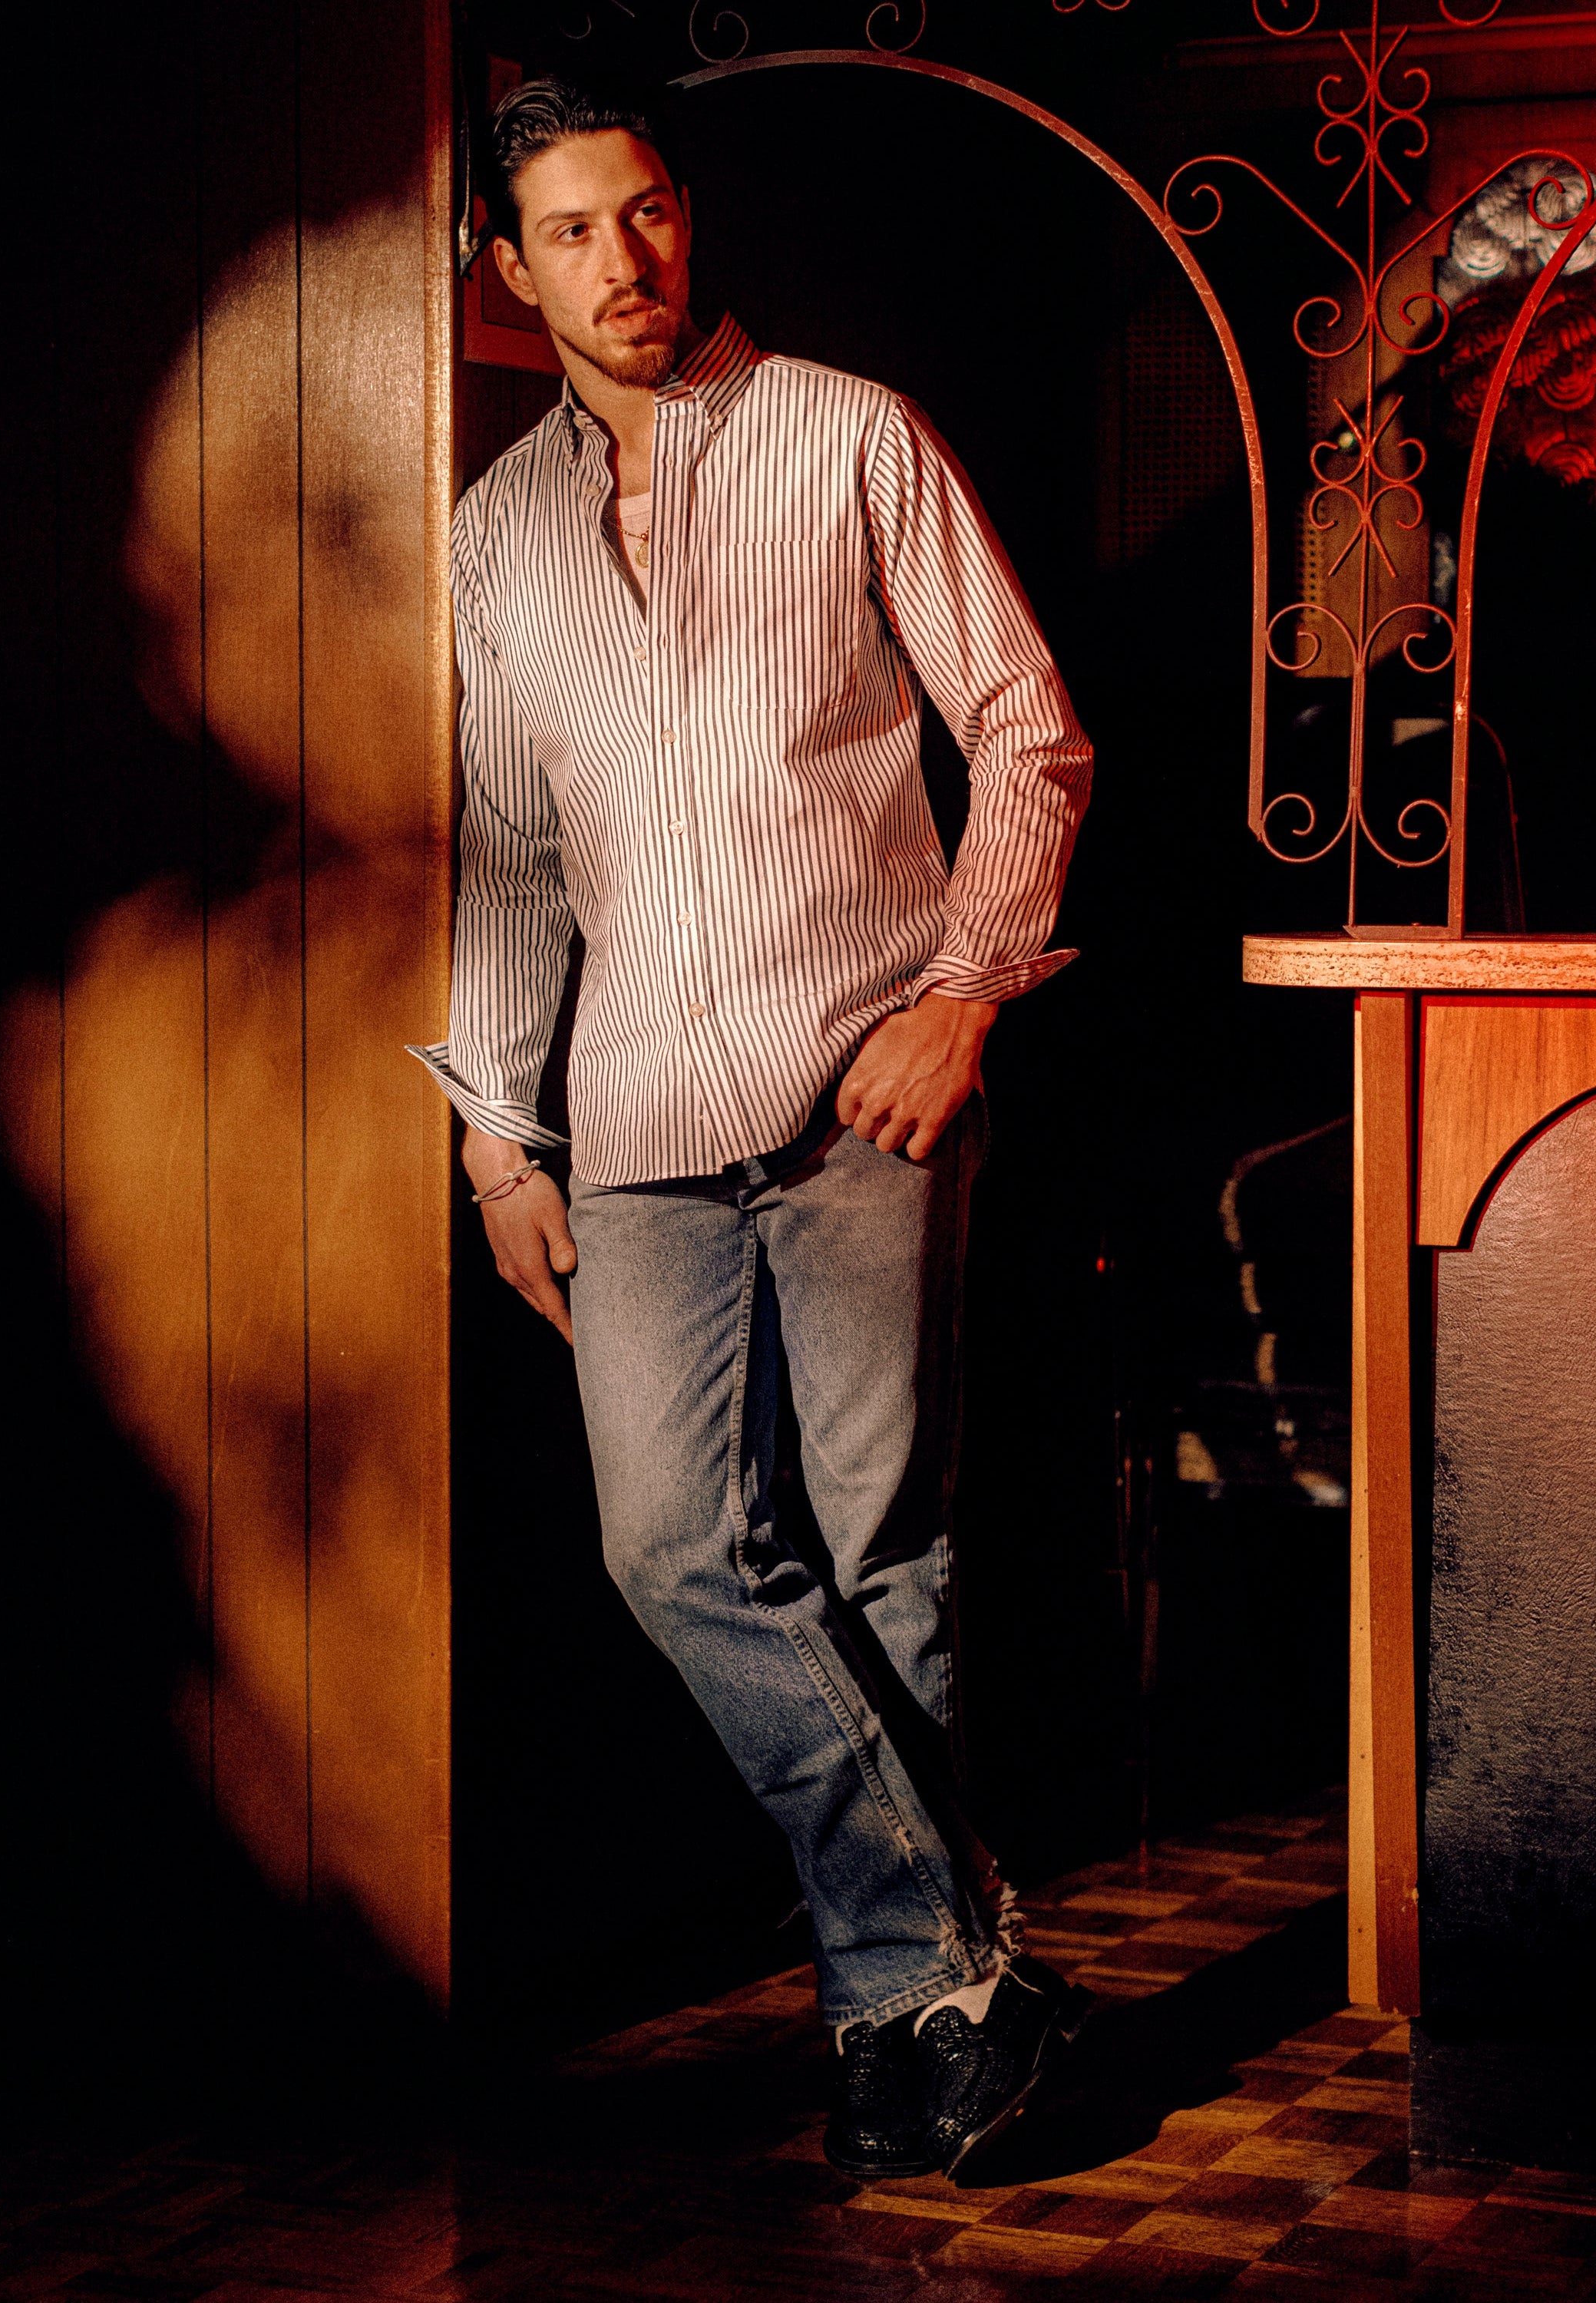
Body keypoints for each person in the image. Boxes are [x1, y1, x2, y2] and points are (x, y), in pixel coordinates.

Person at [411, 75, 1095, 2177]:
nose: (621, 264)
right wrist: (497, 1140)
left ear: (686, 218)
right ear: (508, 272)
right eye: (571, 232)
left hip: (865, 1079)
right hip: (625, 1113)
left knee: (886, 1558)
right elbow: (508, 855)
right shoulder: (495, 533)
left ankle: (901, 2033)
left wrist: (963, 997)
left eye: (645, 215)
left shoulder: (851, 434)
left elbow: (1030, 733)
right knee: (670, 1548)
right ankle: (957, 1961)